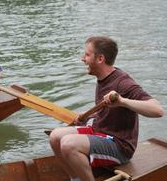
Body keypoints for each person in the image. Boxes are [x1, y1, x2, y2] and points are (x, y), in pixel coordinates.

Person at [49, 36, 164, 181]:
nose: (82, 59)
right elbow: (107, 110)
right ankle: (76, 178)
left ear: (100, 59)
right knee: (55, 137)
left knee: (68, 144)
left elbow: (158, 110)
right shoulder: (102, 77)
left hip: (119, 146)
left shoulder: (123, 82)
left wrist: (123, 101)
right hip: (100, 131)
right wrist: (88, 116)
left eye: (87, 54)